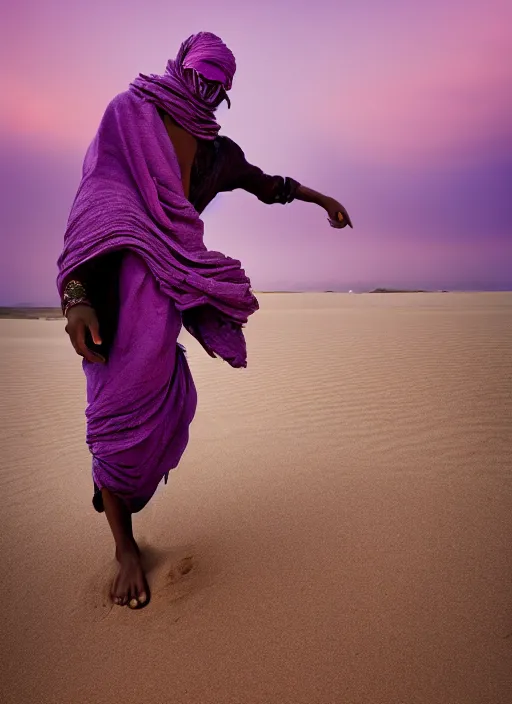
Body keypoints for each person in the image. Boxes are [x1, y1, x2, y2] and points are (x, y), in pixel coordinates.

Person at [57, 32, 353, 611]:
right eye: (201, 79)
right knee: (112, 418)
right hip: (110, 293)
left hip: (166, 297)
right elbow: (94, 204)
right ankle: (124, 548)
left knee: (160, 410)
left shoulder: (218, 154)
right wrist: (75, 298)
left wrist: (323, 200)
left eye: (220, 88)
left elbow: (269, 187)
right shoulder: (129, 114)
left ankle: (120, 500)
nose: (209, 93)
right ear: (182, 66)